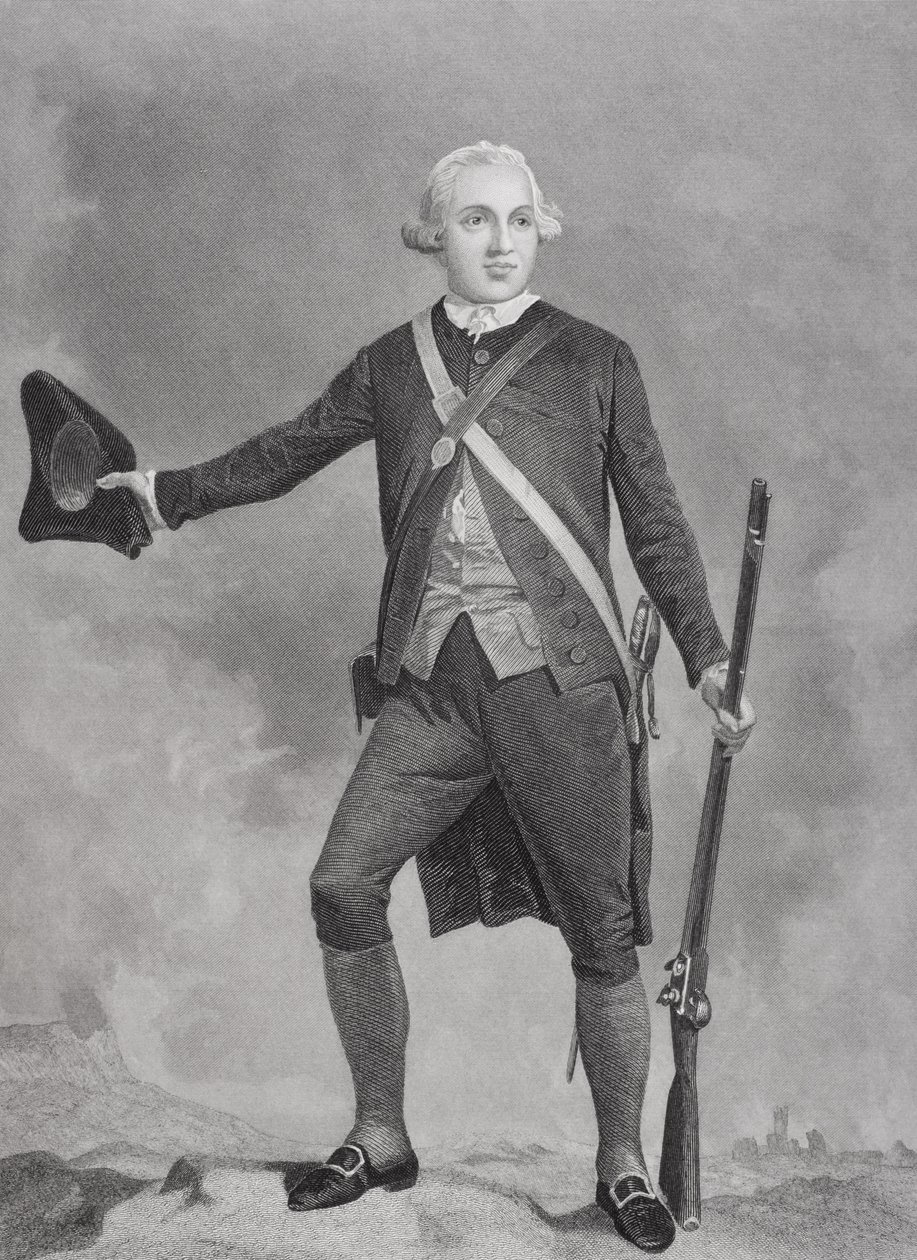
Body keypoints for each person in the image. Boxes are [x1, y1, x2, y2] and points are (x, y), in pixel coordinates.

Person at [100, 140, 755, 1253]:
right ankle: (380, 1133)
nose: (499, 242)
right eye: (473, 221)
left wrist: (705, 657)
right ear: (433, 235)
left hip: (562, 691)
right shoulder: (390, 365)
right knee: (342, 885)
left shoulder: (597, 360)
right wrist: (163, 496)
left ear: (540, 228)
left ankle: (622, 1164)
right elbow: (287, 452)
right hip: (433, 693)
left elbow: (653, 524)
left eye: (517, 220)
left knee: (602, 935)